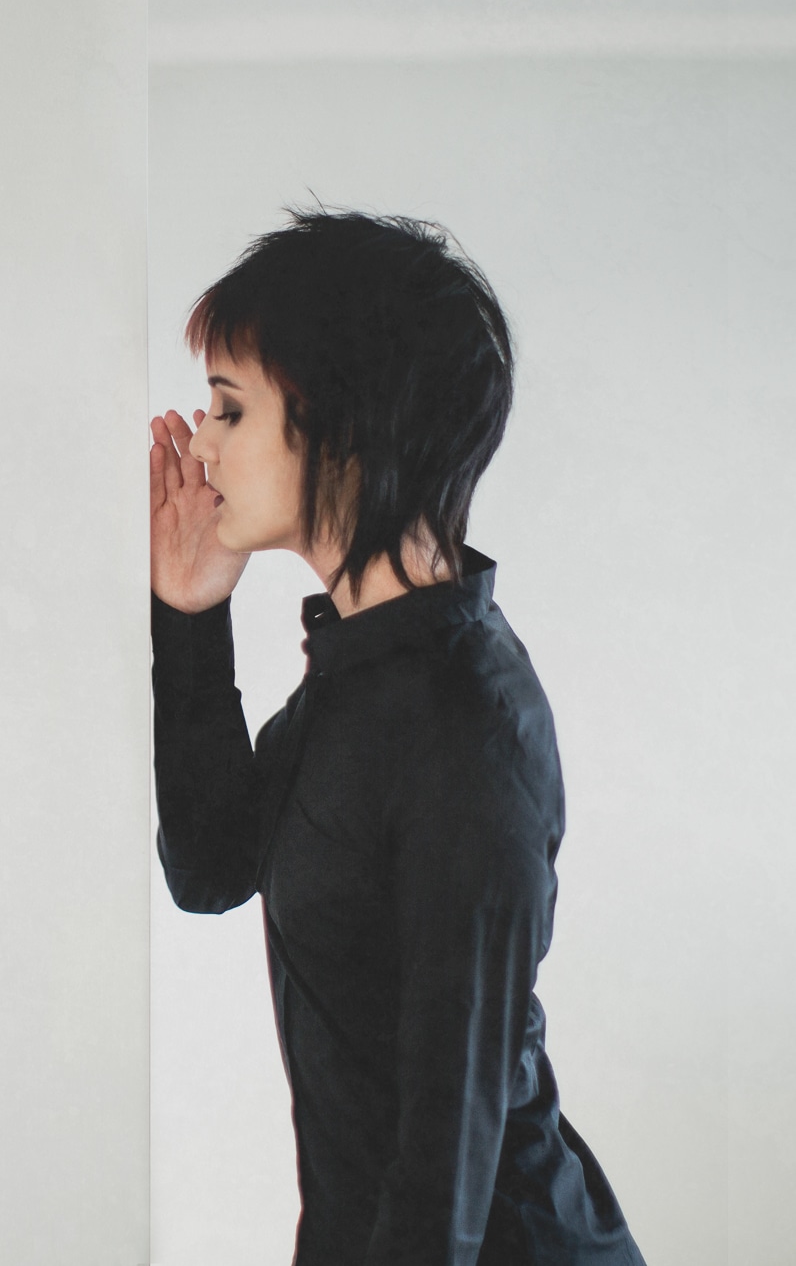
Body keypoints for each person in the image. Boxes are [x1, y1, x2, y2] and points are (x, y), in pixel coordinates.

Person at [148, 210, 644, 1265]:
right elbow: (209, 865)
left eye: (230, 408)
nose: (202, 442)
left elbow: (445, 1165)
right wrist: (190, 612)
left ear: (340, 424)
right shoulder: (364, 664)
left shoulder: (467, 725)